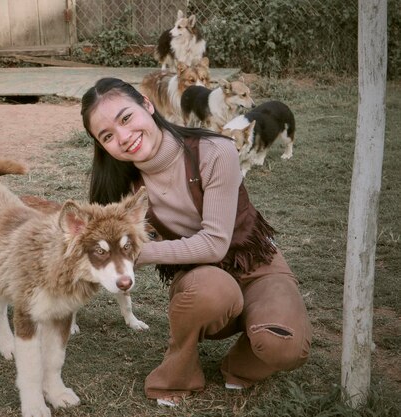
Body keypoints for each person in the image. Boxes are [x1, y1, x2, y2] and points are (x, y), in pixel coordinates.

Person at [80, 77, 312, 406]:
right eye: (107, 136)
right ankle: (178, 373)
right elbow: (95, 246)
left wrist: (136, 252)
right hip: (200, 281)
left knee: (286, 346)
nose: (123, 137)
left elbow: (215, 244)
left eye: (126, 118)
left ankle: (241, 363)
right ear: (101, 145)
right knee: (212, 289)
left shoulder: (215, 150)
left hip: (258, 263)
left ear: (147, 105)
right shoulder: (120, 187)